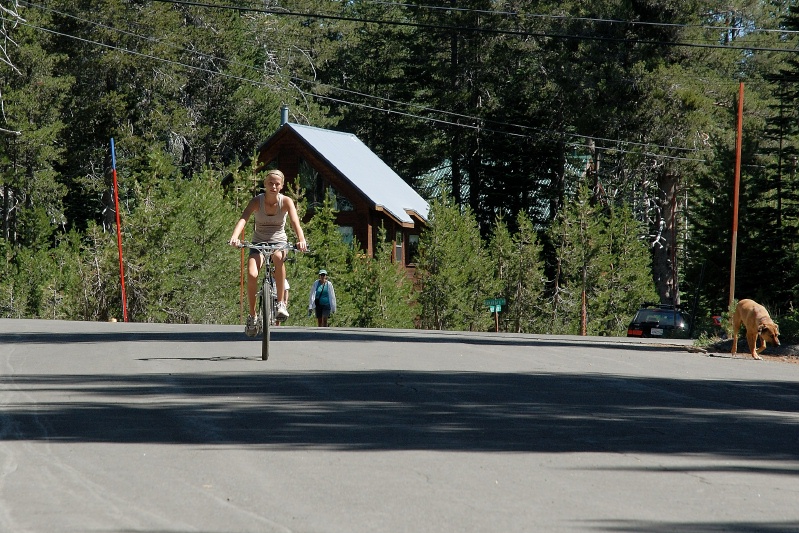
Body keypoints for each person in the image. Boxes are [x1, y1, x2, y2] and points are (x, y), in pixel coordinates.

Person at [229, 169, 307, 336]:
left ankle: (280, 304)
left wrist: (301, 240)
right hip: (258, 242)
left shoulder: (286, 202)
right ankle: (252, 316)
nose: (273, 186)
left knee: (278, 257)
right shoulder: (257, 201)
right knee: (251, 273)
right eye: (270, 183)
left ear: (282, 186)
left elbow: (295, 222)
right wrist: (235, 237)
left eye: (277, 184)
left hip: (279, 242)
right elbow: (243, 218)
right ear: (264, 184)